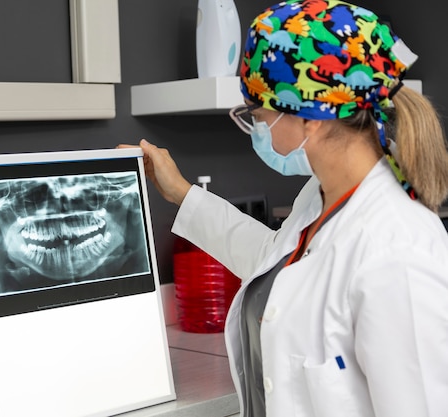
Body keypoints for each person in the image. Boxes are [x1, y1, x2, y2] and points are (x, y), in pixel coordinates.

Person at [120, 0, 448, 416]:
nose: (256, 128)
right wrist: (183, 194)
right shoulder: (322, 197)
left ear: (310, 118)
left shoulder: (399, 249)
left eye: (259, 114)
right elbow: (277, 265)